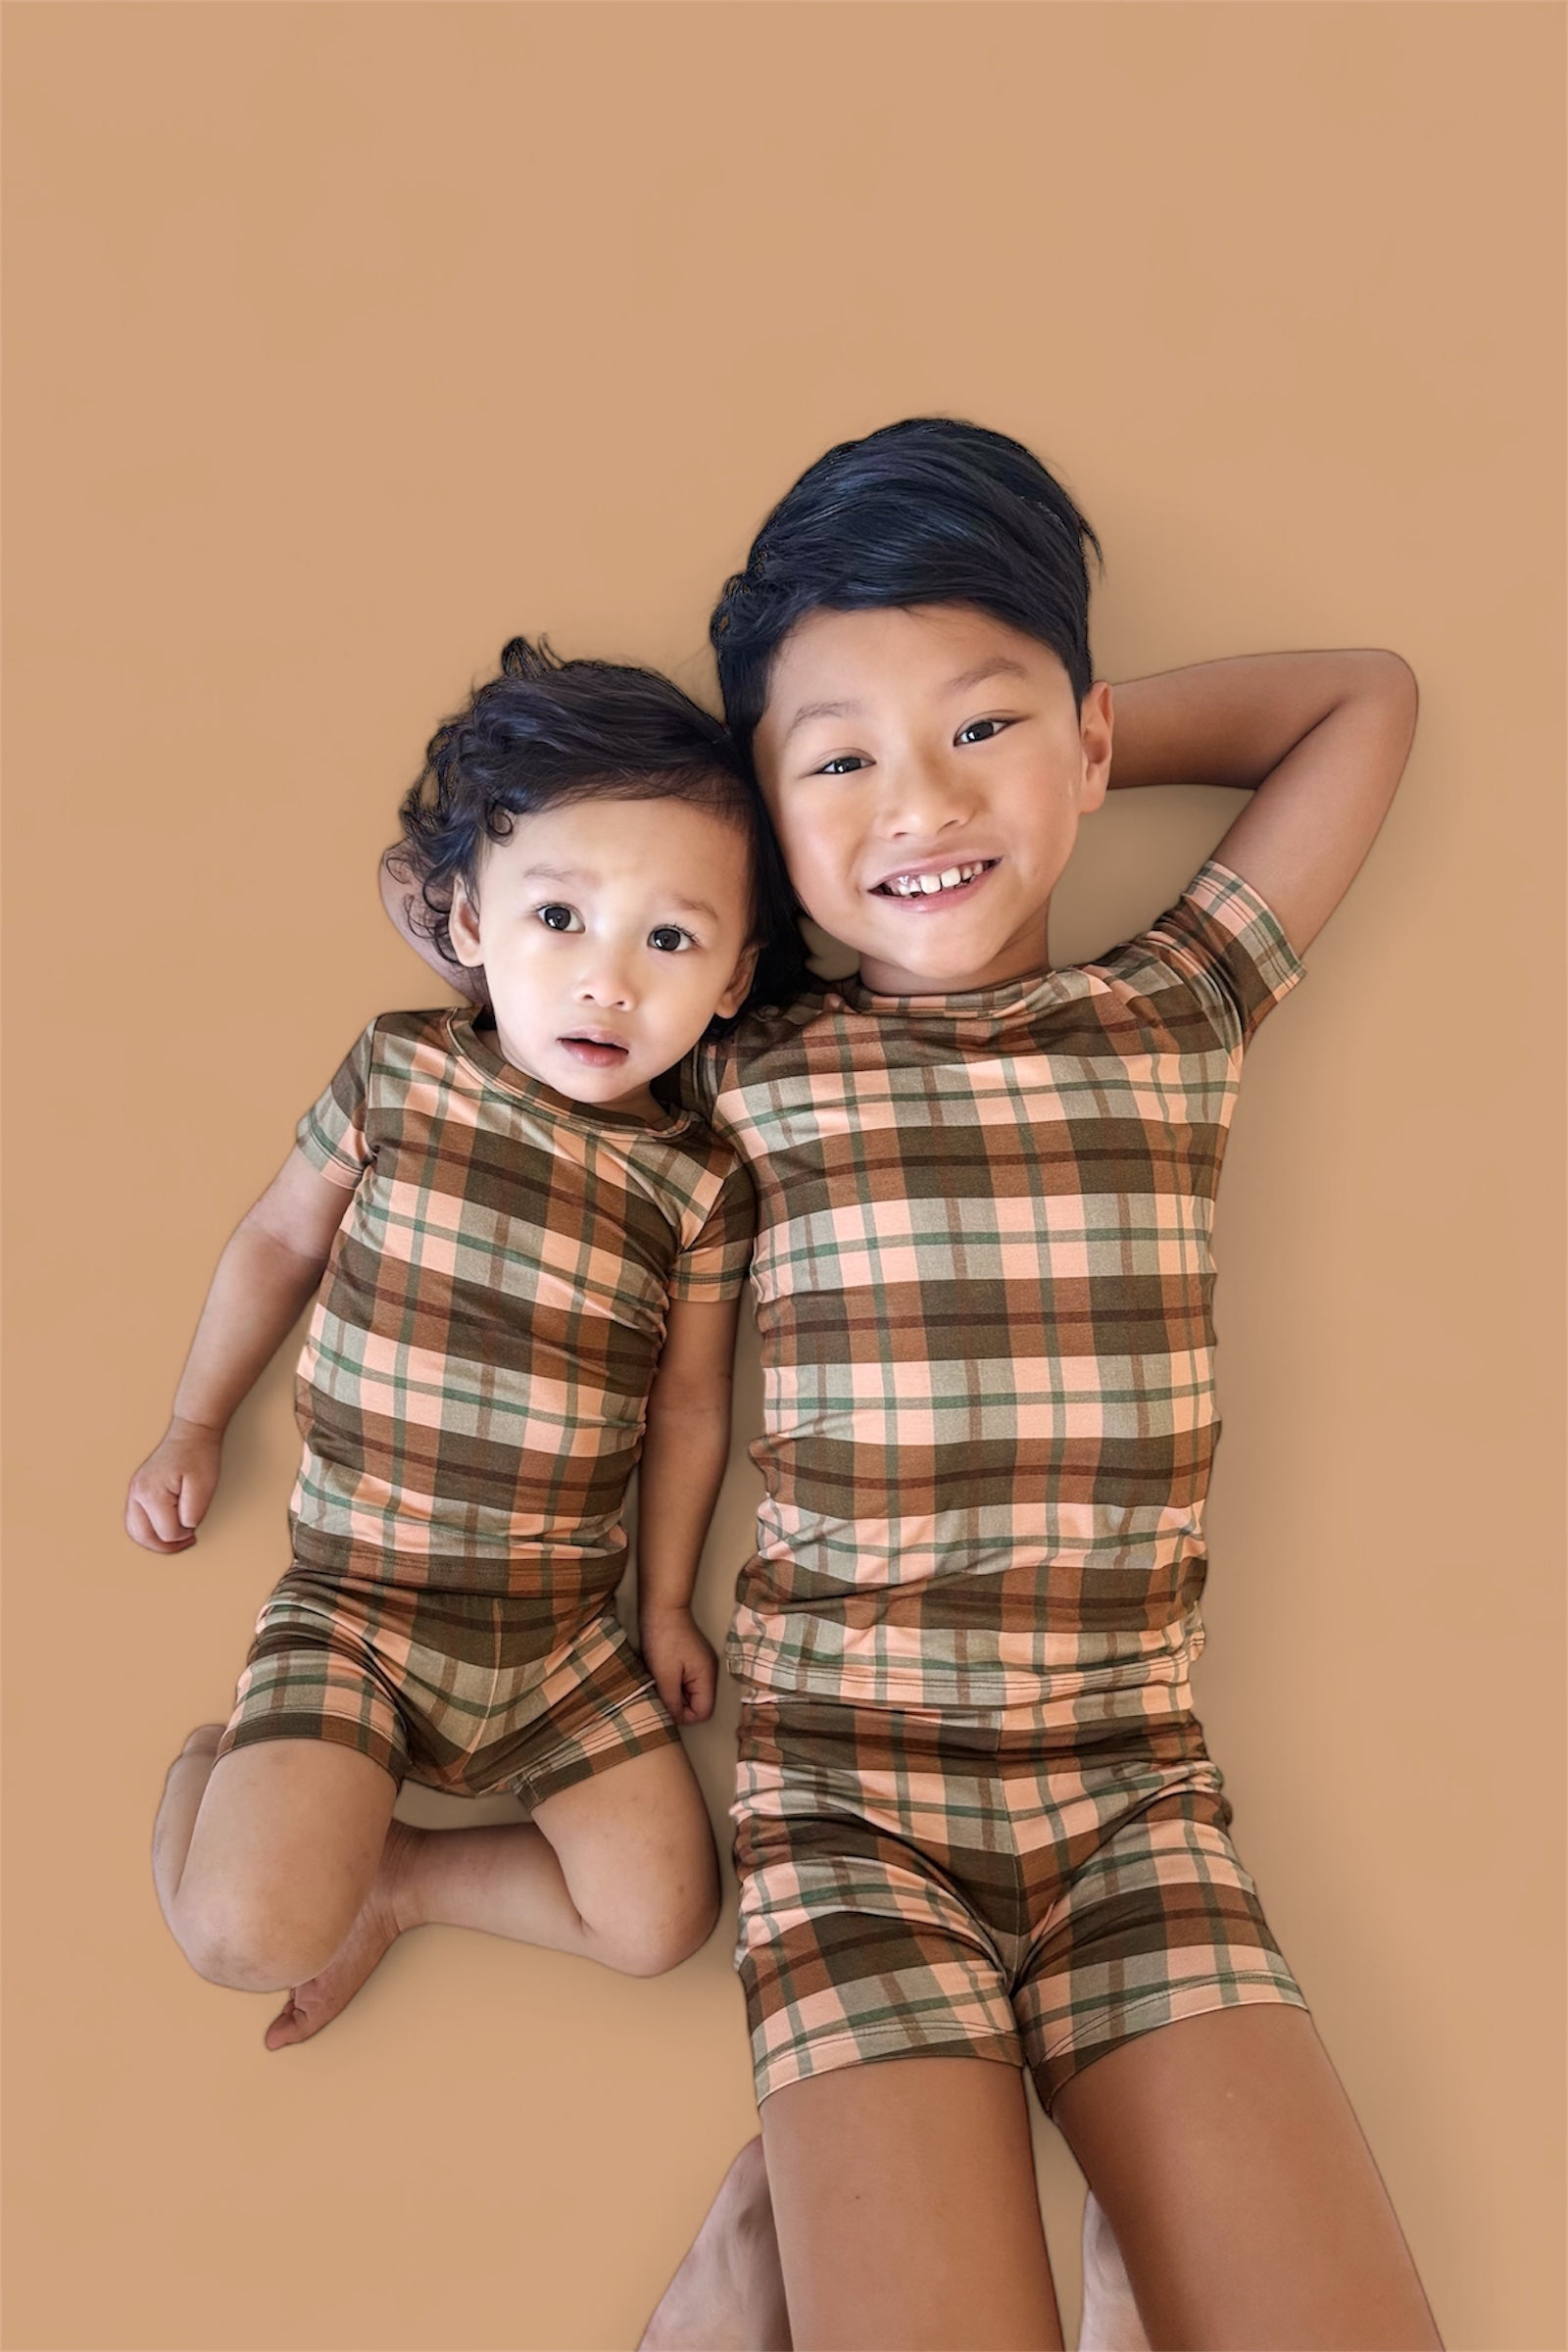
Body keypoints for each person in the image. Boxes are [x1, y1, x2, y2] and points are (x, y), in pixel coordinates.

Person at [626, 418, 1442, 2350]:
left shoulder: (1174, 1003)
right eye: (839, 761)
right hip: (848, 1813)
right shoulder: (742, 1067)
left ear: (1084, 737)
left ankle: (874, 2213)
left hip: (1129, 1796)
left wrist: (1063, 750)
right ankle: (774, 2239)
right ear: (765, 811)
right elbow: (525, 938)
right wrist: (752, 829)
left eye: (977, 727)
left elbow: (1364, 700)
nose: (919, 802)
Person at [130, 637, 790, 2053]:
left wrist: (666, 1606)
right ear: (472, 922)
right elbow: (278, 1241)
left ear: (735, 978)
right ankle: (219, 1771)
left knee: (662, 1917)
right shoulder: (403, 1070)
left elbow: (691, 1408)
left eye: (669, 940)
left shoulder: (698, 1182)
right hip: (359, 1605)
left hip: (561, 1642)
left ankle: (410, 1881)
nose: (608, 981)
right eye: (560, 916)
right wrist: (195, 1420)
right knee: (243, 1931)